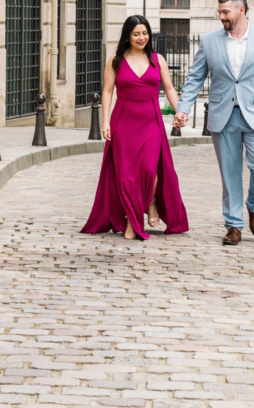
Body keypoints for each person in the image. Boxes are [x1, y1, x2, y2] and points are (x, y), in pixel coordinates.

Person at [172, 0, 254, 246]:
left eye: (225, 12)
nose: (221, 17)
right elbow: (195, 77)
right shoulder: (209, 40)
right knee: (230, 174)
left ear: (241, 10)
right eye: (219, 12)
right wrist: (183, 108)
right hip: (223, 115)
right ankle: (234, 225)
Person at [81, 14, 189, 242]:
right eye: (136, 34)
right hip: (124, 120)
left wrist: (180, 111)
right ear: (127, 36)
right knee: (127, 175)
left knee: (149, 169)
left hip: (151, 120)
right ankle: (139, 213)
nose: (142, 37)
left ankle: (141, 212)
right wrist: (105, 121)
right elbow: (108, 91)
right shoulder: (115, 61)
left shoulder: (157, 59)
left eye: (145, 33)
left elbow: (169, 89)